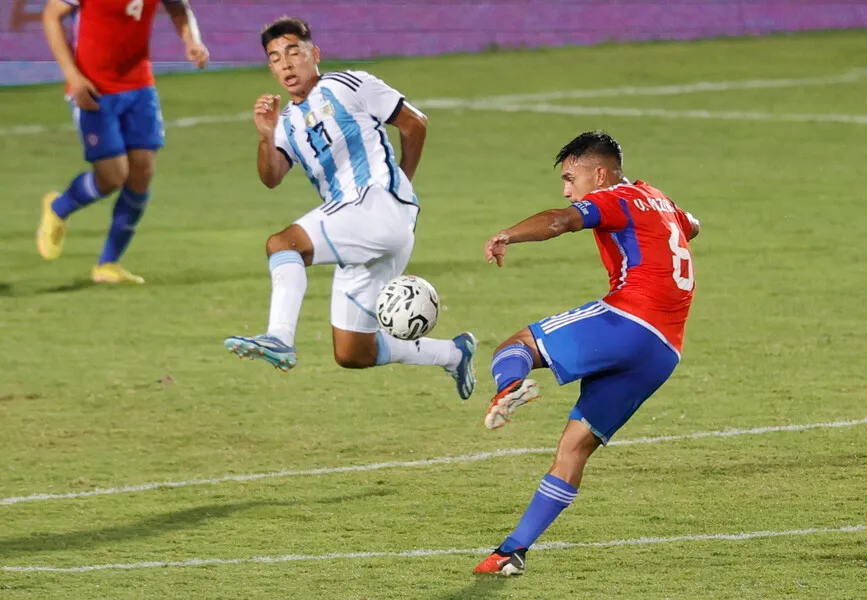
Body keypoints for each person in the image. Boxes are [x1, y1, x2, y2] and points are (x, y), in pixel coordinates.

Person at [473, 131, 700, 575]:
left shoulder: (616, 197)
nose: (566, 189)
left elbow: (561, 221)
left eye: (570, 177)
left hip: (629, 320)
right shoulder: (655, 197)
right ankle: (511, 552)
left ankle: (510, 386)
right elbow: (691, 225)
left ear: (598, 173)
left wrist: (507, 235)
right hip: (664, 351)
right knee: (574, 448)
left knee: (513, 347)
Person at [223, 18, 476, 400]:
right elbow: (271, 177)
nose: (286, 64)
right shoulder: (286, 122)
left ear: (314, 54)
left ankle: (279, 337)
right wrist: (264, 136)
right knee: (353, 351)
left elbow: (415, 124)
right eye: (275, 58)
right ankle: (454, 353)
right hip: (363, 227)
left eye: (294, 51)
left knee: (283, 245)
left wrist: (399, 185)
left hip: (376, 207)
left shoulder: (348, 84)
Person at [37, 0, 209, 284]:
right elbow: (50, 16)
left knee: (142, 174)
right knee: (113, 176)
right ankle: (59, 208)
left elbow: (179, 8)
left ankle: (108, 264)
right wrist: (73, 76)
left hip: (140, 86)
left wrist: (193, 41)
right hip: (93, 89)